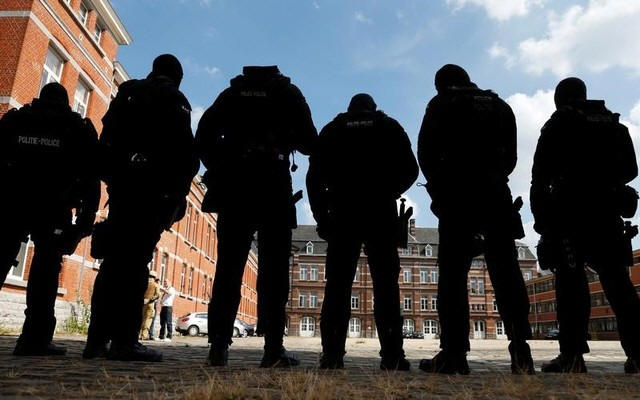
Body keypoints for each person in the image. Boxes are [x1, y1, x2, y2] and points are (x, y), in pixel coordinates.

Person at [195, 65, 317, 367]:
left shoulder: (232, 93)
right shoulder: (288, 93)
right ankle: (273, 349)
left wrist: (220, 166)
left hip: (234, 186)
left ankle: (218, 346)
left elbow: (203, 135)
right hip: (273, 186)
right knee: (275, 272)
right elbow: (310, 143)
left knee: (228, 267)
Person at [417, 64, 534, 374]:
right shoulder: (500, 105)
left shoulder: (440, 104)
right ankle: (520, 349)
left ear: (441, 85)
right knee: (507, 273)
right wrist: (492, 176)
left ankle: (454, 354)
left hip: (457, 197)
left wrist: (440, 190)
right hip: (496, 195)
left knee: (453, 276)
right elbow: (511, 158)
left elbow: (425, 155)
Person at [83, 54, 199, 362]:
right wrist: (175, 196)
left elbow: (106, 138)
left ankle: (95, 341)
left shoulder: (127, 92)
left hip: (122, 189)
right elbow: (186, 155)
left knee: (111, 264)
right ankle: (125, 341)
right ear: (177, 78)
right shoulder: (175, 99)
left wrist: (114, 179)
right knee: (136, 266)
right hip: (151, 194)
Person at [531, 77, 640, 374]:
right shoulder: (613, 124)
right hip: (607, 213)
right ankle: (638, 353)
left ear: (559, 100)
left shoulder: (558, 124)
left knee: (571, 286)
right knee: (619, 285)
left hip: (569, 215)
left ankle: (572, 356)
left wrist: (541, 220)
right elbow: (631, 170)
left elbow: (539, 177)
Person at [306, 93, 418, 370]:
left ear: (350, 109)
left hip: (343, 212)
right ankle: (392, 355)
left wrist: (322, 216)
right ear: (373, 108)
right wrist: (389, 190)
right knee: (387, 285)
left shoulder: (333, 129)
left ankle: (332, 355)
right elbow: (411, 169)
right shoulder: (389, 126)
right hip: (380, 211)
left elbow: (313, 177)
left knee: (337, 285)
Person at [0, 82, 100, 356]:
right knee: (45, 271)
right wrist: (85, 220)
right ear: (67, 102)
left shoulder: (17, 119)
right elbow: (92, 178)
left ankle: (36, 339)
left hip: (12, 203)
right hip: (54, 207)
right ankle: (34, 339)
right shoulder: (77, 127)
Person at [139, 270, 161, 340]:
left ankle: (139, 335)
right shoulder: (155, 284)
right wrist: (150, 299)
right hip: (150, 303)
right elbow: (158, 294)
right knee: (148, 319)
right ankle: (144, 335)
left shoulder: (144, 283)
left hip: (143, 303)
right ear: (154, 277)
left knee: (142, 319)